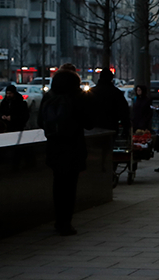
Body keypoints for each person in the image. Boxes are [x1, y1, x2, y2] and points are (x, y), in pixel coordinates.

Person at [38, 65, 93, 235]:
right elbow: (89, 123)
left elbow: (41, 121)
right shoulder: (78, 97)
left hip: (54, 146)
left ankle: (58, 219)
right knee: (70, 186)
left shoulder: (48, 96)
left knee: (58, 184)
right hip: (73, 146)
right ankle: (66, 222)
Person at [88, 69, 130, 136]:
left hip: (93, 127)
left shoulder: (91, 92)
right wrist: (126, 128)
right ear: (111, 78)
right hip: (111, 126)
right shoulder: (116, 93)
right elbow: (124, 111)